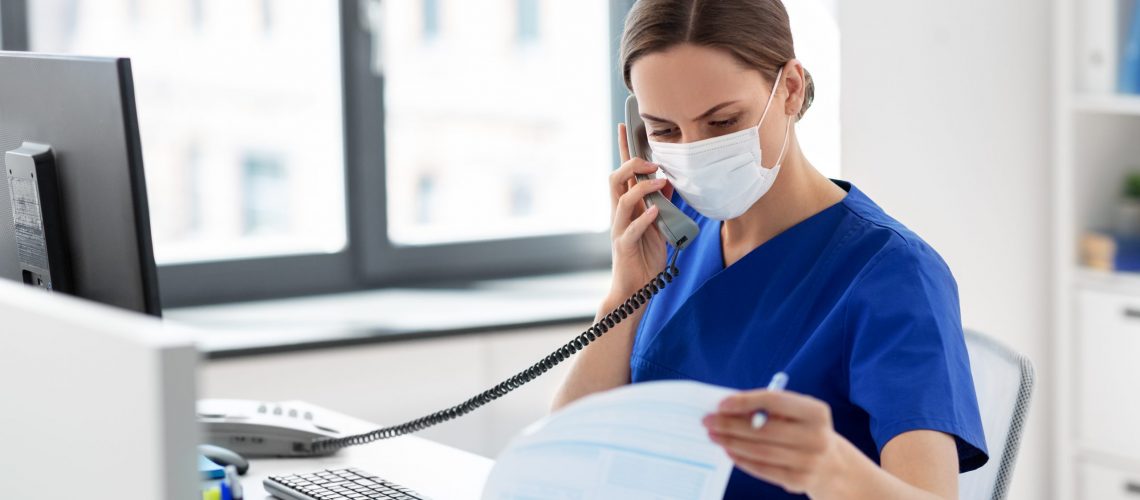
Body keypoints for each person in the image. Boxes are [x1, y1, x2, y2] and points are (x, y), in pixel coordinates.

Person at [551, 1, 988, 498]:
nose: (694, 150)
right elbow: (563, 458)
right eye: (665, 131)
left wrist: (831, 468)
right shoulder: (669, 238)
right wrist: (624, 296)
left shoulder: (892, 273)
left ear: (791, 90)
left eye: (722, 123)